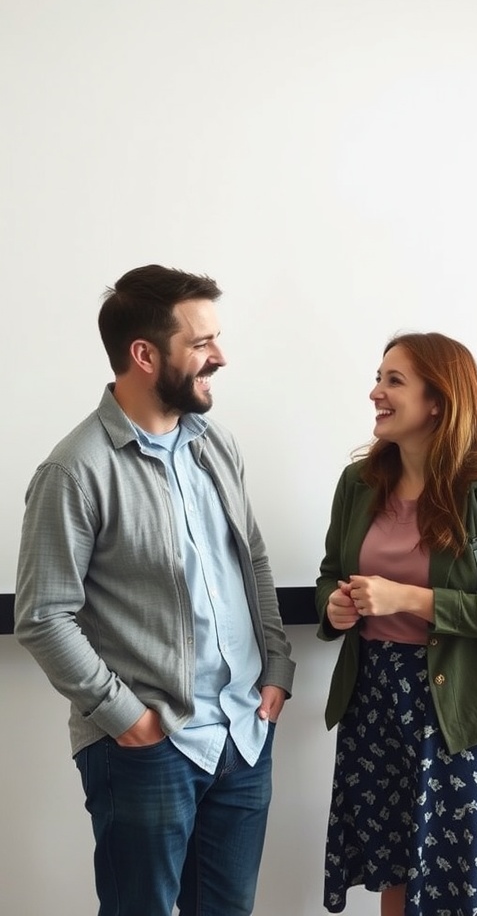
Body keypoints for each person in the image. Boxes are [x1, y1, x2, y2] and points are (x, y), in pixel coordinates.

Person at [15, 263, 295, 916]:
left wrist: (276, 665)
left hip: (243, 734)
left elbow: (250, 558)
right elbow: (44, 615)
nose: (220, 357)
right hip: (148, 749)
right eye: (202, 343)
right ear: (144, 354)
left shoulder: (216, 445)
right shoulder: (73, 469)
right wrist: (125, 718)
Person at [315, 332, 477, 916]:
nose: (375, 392)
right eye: (378, 377)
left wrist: (408, 598)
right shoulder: (358, 483)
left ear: (437, 400)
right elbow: (329, 576)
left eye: (394, 381)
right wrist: (334, 609)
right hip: (375, 704)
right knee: (394, 870)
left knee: (453, 887)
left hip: (460, 711)